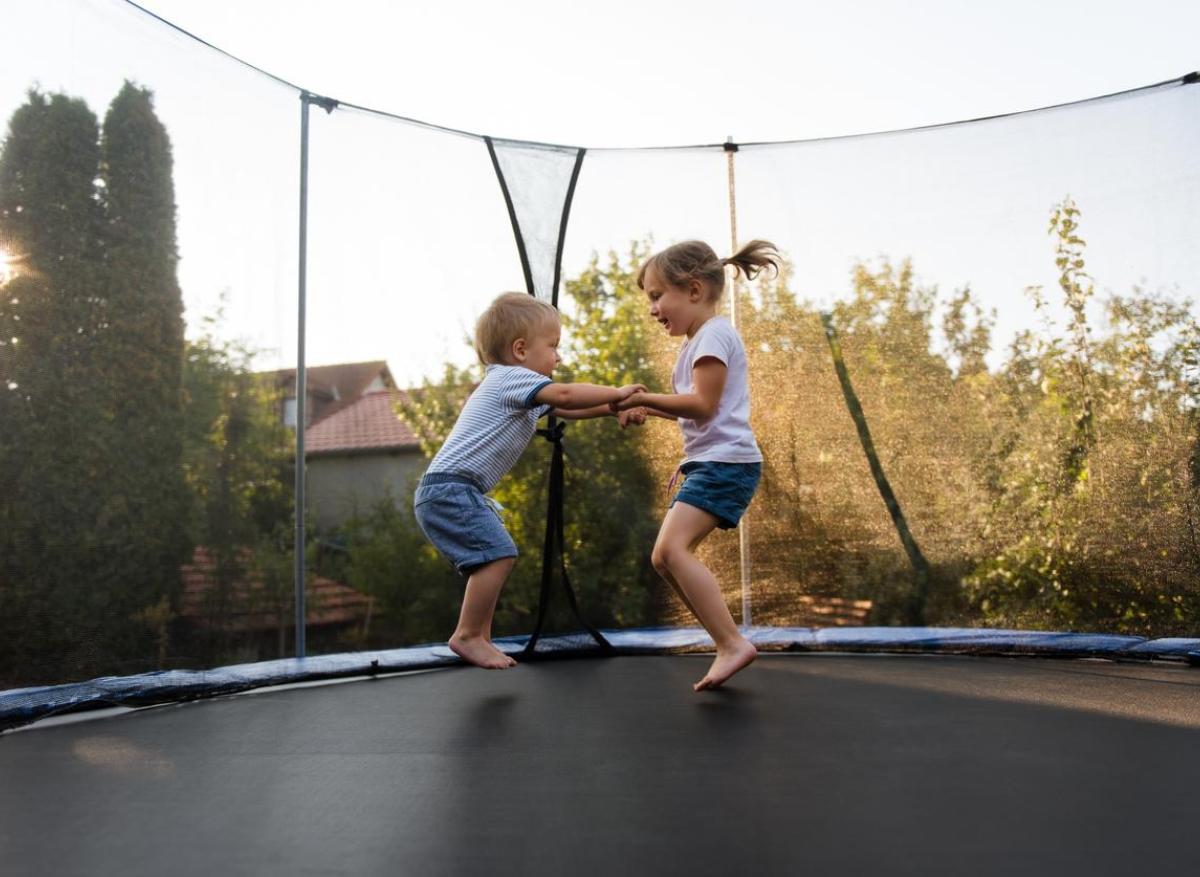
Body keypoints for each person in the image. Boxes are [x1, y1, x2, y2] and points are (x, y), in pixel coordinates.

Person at [414, 292, 644, 670]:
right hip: (450, 490)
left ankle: (478, 636)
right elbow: (567, 393)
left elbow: (568, 406)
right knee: (499, 554)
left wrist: (611, 409)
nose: (559, 356)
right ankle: (469, 635)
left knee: (491, 557)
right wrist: (618, 393)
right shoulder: (510, 379)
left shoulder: (514, 386)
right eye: (553, 346)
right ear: (520, 349)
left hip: (450, 490)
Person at [614, 240, 780, 690]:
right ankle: (727, 642)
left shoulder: (714, 335)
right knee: (664, 558)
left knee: (670, 552)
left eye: (655, 295)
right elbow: (699, 409)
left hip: (727, 465)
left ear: (692, 289)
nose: (652, 309)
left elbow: (702, 405)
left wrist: (644, 397)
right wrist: (651, 409)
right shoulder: (697, 343)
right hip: (712, 463)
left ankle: (731, 643)